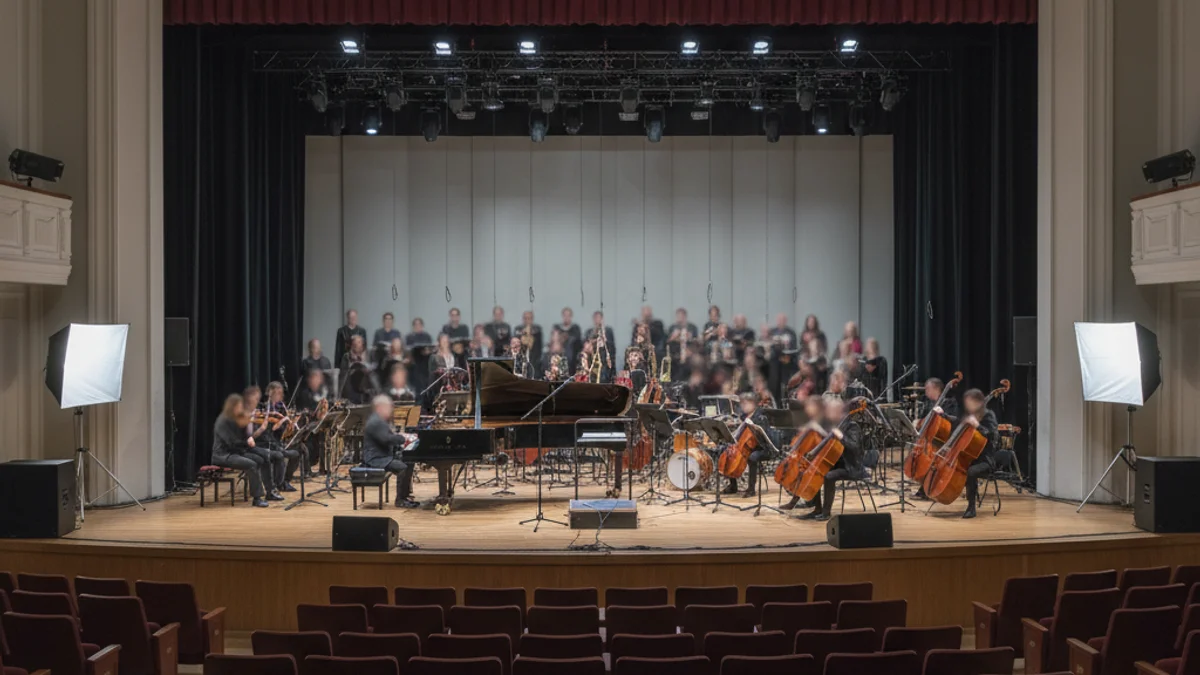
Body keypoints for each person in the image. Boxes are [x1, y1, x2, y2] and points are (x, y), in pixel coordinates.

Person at [797, 397, 865, 522]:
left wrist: (841, 436)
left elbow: (854, 447)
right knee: (816, 470)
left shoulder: (852, 426)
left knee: (828, 476)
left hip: (851, 466)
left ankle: (826, 512)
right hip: (838, 462)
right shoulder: (834, 424)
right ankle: (817, 508)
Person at [211, 394, 270, 507]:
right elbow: (231, 442)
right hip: (223, 456)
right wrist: (247, 442)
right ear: (232, 407)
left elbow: (240, 439)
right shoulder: (222, 421)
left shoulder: (234, 420)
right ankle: (257, 498)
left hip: (234, 453)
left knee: (259, 459)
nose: (241, 409)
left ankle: (265, 490)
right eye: (239, 406)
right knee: (252, 464)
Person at [362, 395, 419, 508]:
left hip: (383, 455)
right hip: (376, 458)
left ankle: (405, 495)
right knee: (403, 467)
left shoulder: (379, 420)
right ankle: (400, 500)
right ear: (379, 407)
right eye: (388, 407)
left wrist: (401, 437)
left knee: (409, 462)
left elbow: (388, 437)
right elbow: (386, 439)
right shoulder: (376, 421)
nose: (390, 410)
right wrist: (404, 438)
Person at [723, 392, 782, 498]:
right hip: (750, 446)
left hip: (764, 447)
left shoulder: (760, 416)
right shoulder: (745, 416)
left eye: (746, 404)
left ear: (754, 404)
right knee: (729, 452)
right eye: (742, 404)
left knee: (752, 457)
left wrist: (755, 427)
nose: (743, 406)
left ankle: (751, 489)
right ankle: (733, 485)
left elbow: (764, 437)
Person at [779, 397, 828, 511]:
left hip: (822, 457)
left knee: (802, 473)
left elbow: (827, 439)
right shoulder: (811, 421)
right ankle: (809, 501)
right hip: (810, 457)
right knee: (799, 470)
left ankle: (794, 502)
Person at [957, 388, 999, 519]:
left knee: (971, 472)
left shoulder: (988, 415)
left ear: (978, 402)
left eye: (969, 402)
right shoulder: (972, 415)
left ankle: (971, 507)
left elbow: (991, 435)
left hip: (986, 460)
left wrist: (977, 425)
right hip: (972, 457)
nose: (967, 405)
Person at [241, 386, 286, 501]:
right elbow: (249, 438)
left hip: (253, 447)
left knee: (273, 455)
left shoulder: (255, 414)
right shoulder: (242, 415)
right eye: (254, 399)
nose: (257, 402)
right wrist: (262, 428)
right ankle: (268, 491)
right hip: (243, 448)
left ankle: (272, 489)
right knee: (266, 455)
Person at [263, 382, 302, 490]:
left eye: (281, 393)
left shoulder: (280, 405)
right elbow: (272, 428)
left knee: (300, 450)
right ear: (271, 393)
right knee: (285, 454)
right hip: (270, 441)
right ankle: (279, 483)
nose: (281, 395)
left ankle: (286, 480)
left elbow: (284, 427)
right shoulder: (267, 407)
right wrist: (284, 419)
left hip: (280, 440)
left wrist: (292, 423)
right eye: (278, 393)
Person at [405, 318, 434, 395]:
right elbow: (407, 351)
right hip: (414, 363)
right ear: (413, 326)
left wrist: (427, 351)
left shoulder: (427, 336)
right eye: (416, 325)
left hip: (425, 363)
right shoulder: (409, 337)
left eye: (419, 324)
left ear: (422, 326)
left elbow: (431, 349)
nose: (418, 326)